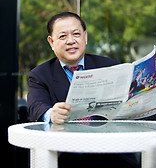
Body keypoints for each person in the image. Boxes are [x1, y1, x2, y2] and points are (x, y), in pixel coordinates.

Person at [27, 12, 140, 168]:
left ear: (85, 37)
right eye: (62, 37)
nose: (71, 41)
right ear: (51, 42)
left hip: (111, 152)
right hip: (67, 154)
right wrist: (51, 113)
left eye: (76, 34)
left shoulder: (110, 66)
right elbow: (35, 107)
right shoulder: (39, 75)